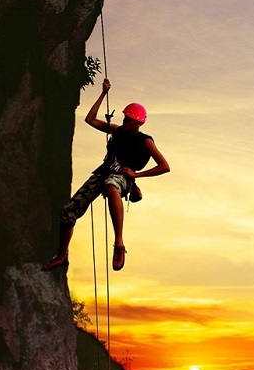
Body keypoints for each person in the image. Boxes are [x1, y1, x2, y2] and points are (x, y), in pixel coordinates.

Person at [42, 78, 170, 272]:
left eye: (128, 119)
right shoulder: (117, 131)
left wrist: (136, 174)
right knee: (68, 212)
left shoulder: (145, 142)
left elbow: (164, 166)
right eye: (125, 118)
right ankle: (62, 256)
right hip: (104, 171)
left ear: (137, 123)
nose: (124, 120)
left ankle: (119, 243)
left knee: (111, 186)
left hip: (124, 178)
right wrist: (103, 93)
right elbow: (90, 119)